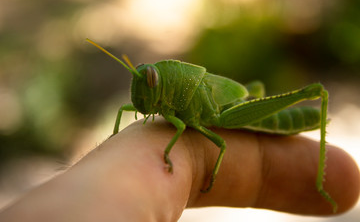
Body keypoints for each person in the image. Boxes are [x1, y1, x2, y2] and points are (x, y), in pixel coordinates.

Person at [0, 118, 359, 221]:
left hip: (236, 111)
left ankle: (324, 185)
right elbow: (127, 110)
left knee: (315, 94)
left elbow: (218, 146)